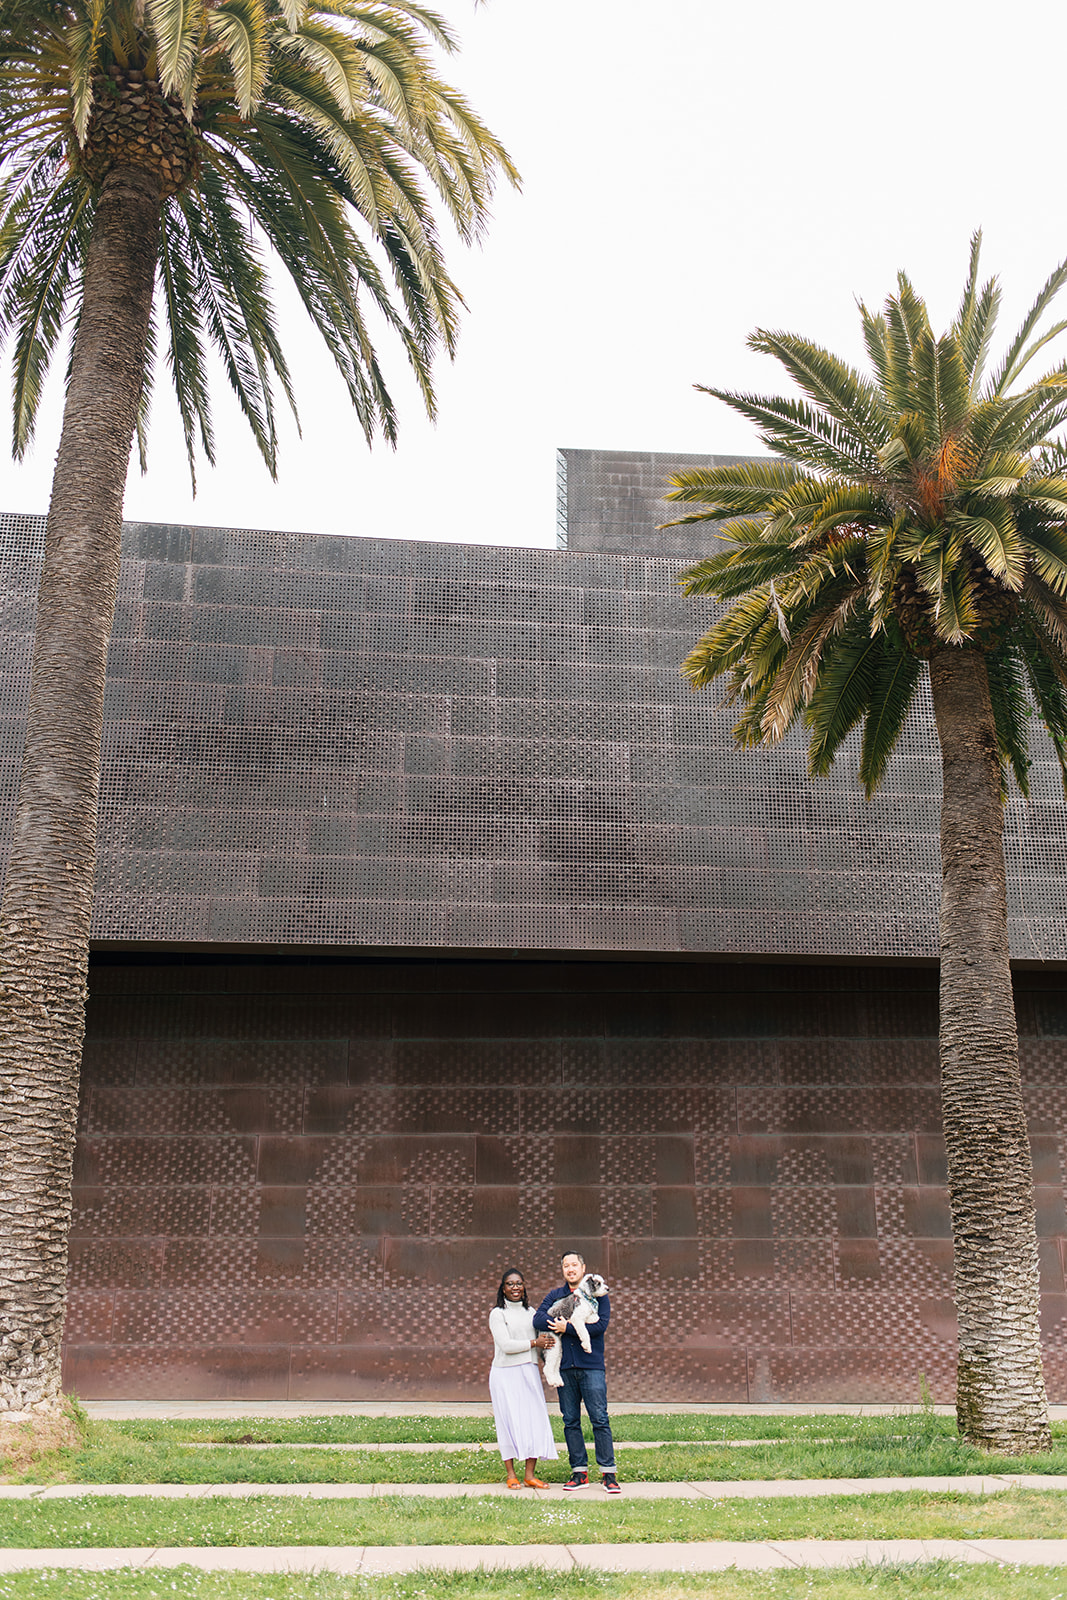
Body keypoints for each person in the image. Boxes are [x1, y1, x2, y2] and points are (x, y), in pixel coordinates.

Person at [532, 1250, 621, 1494]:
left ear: (583, 1269)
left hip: (591, 1366)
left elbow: (600, 1326)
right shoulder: (556, 1296)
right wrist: (560, 1322)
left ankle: (608, 1474)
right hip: (565, 1368)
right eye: (566, 1266)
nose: (570, 1269)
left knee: (599, 1419)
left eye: (574, 1265)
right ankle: (579, 1472)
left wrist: (567, 1327)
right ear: (563, 1270)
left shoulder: (597, 1293)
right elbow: (539, 1319)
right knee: (570, 1421)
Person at [488, 1267, 559, 1488]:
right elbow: (506, 1346)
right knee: (507, 1421)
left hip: (528, 1371)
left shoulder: (532, 1313)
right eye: (510, 1284)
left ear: (524, 1286)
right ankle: (511, 1475)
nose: (515, 1287)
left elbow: (544, 1339)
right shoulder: (498, 1314)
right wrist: (534, 1343)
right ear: (503, 1288)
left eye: (519, 1283)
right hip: (504, 1373)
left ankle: (530, 1475)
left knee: (534, 1420)